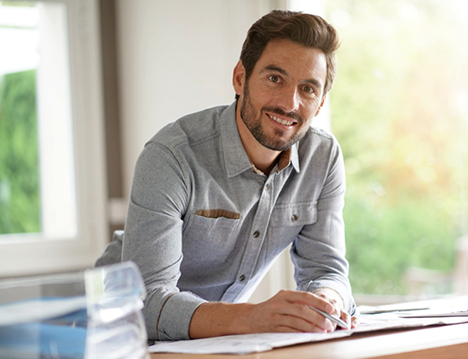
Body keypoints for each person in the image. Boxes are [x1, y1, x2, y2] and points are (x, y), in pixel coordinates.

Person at [96, 9, 356, 341]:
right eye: (275, 78)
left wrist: (326, 302)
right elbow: (144, 304)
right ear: (240, 78)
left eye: (307, 89)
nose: (289, 103)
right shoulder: (172, 155)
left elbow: (327, 271)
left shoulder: (323, 157)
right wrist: (255, 317)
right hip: (110, 336)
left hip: (215, 342)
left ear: (319, 104)